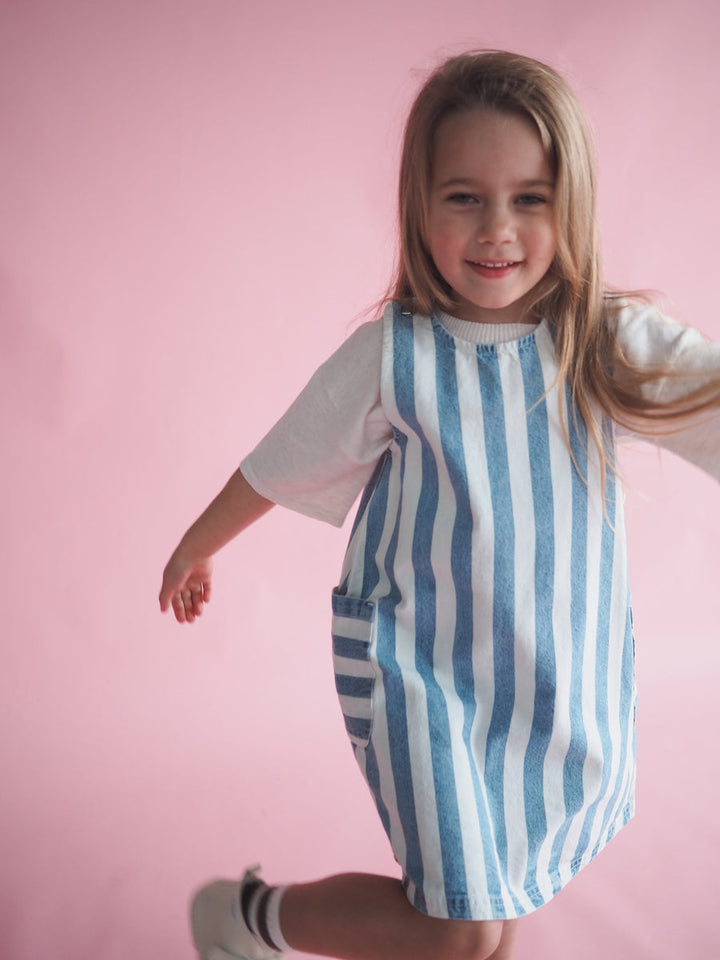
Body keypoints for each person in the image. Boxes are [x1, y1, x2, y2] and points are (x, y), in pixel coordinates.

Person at [159, 50, 720, 960]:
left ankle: (246, 917)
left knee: (486, 930)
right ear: (419, 205)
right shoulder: (397, 354)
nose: (496, 229)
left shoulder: (603, 341)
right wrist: (197, 542)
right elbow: (287, 459)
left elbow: (709, 401)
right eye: (464, 196)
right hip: (416, 663)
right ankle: (245, 919)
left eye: (529, 199)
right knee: (465, 931)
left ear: (568, 204)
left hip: (549, 679)